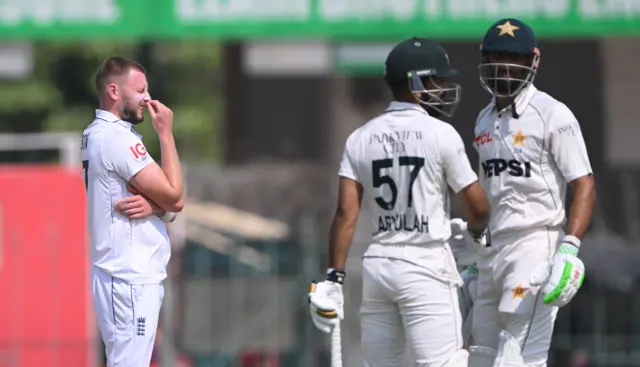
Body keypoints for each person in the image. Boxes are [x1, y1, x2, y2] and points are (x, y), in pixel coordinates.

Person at [307, 37, 492, 367]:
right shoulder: (441, 133)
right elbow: (478, 206)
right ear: (416, 81)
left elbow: (345, 214)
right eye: (438, 79)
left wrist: (334, 278)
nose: (444, 87)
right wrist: (477, 238)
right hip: (426, 263)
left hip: (379, 265)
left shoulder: (360, 137)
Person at [455, 18, 597, 366]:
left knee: (517, 355)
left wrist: (569, 248)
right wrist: (475, 252)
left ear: (533, 61)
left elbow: (584, 184)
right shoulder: (483, 119)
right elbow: (489, 191)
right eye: (496, 56)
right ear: (483, 60)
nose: (504, 66)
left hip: (535, 244)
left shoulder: (552, 114)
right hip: (493, 250)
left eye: (513, 57)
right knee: (479, 354)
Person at [82, 56, 185, 367]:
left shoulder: (97, 133)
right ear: (114, 91)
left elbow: (167, 207)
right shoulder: (116, 139)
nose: (148, 98)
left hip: (127, 277)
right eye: (140, 90)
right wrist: (166, 134)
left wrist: (157, 208)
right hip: (128, 278)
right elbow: (176, 198)